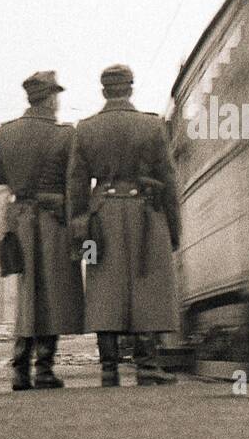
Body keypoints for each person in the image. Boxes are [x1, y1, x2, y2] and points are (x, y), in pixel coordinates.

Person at [67, 63, 179, 387]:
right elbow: (169, 180)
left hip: (100, 215)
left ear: (104, 91)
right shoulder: (152, 126)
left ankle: (108, 365)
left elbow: (75, 185)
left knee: (103, 284)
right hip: (147, 213)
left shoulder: (85, 129)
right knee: (148, 282)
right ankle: (147, 364)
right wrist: (174, 228)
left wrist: (79, 231)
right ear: (131, 88)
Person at [0, 70, 84, 391]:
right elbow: (75, 183)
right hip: (55, 220)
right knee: (53, 294)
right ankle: (44, 368)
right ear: (52, 98)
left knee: (27, 294)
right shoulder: (65, 135)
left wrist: (2, 232)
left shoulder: (5, 133)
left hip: (18, 219)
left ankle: (19, 368)